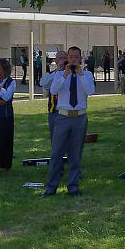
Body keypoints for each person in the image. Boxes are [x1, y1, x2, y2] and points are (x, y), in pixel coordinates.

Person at [42, 45, 95, 197]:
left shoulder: (87, 75)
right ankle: (51, 188)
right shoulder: (59, 74)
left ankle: (73, 187)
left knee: (76, 153)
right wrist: (65, 74)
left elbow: (90, 91)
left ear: (80, 58)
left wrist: (80, 74)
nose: (73, 60)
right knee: (56, 152)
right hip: (62, 116)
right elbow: (53, 90)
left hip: (79, 117)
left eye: (76, 57)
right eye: (70, 57)